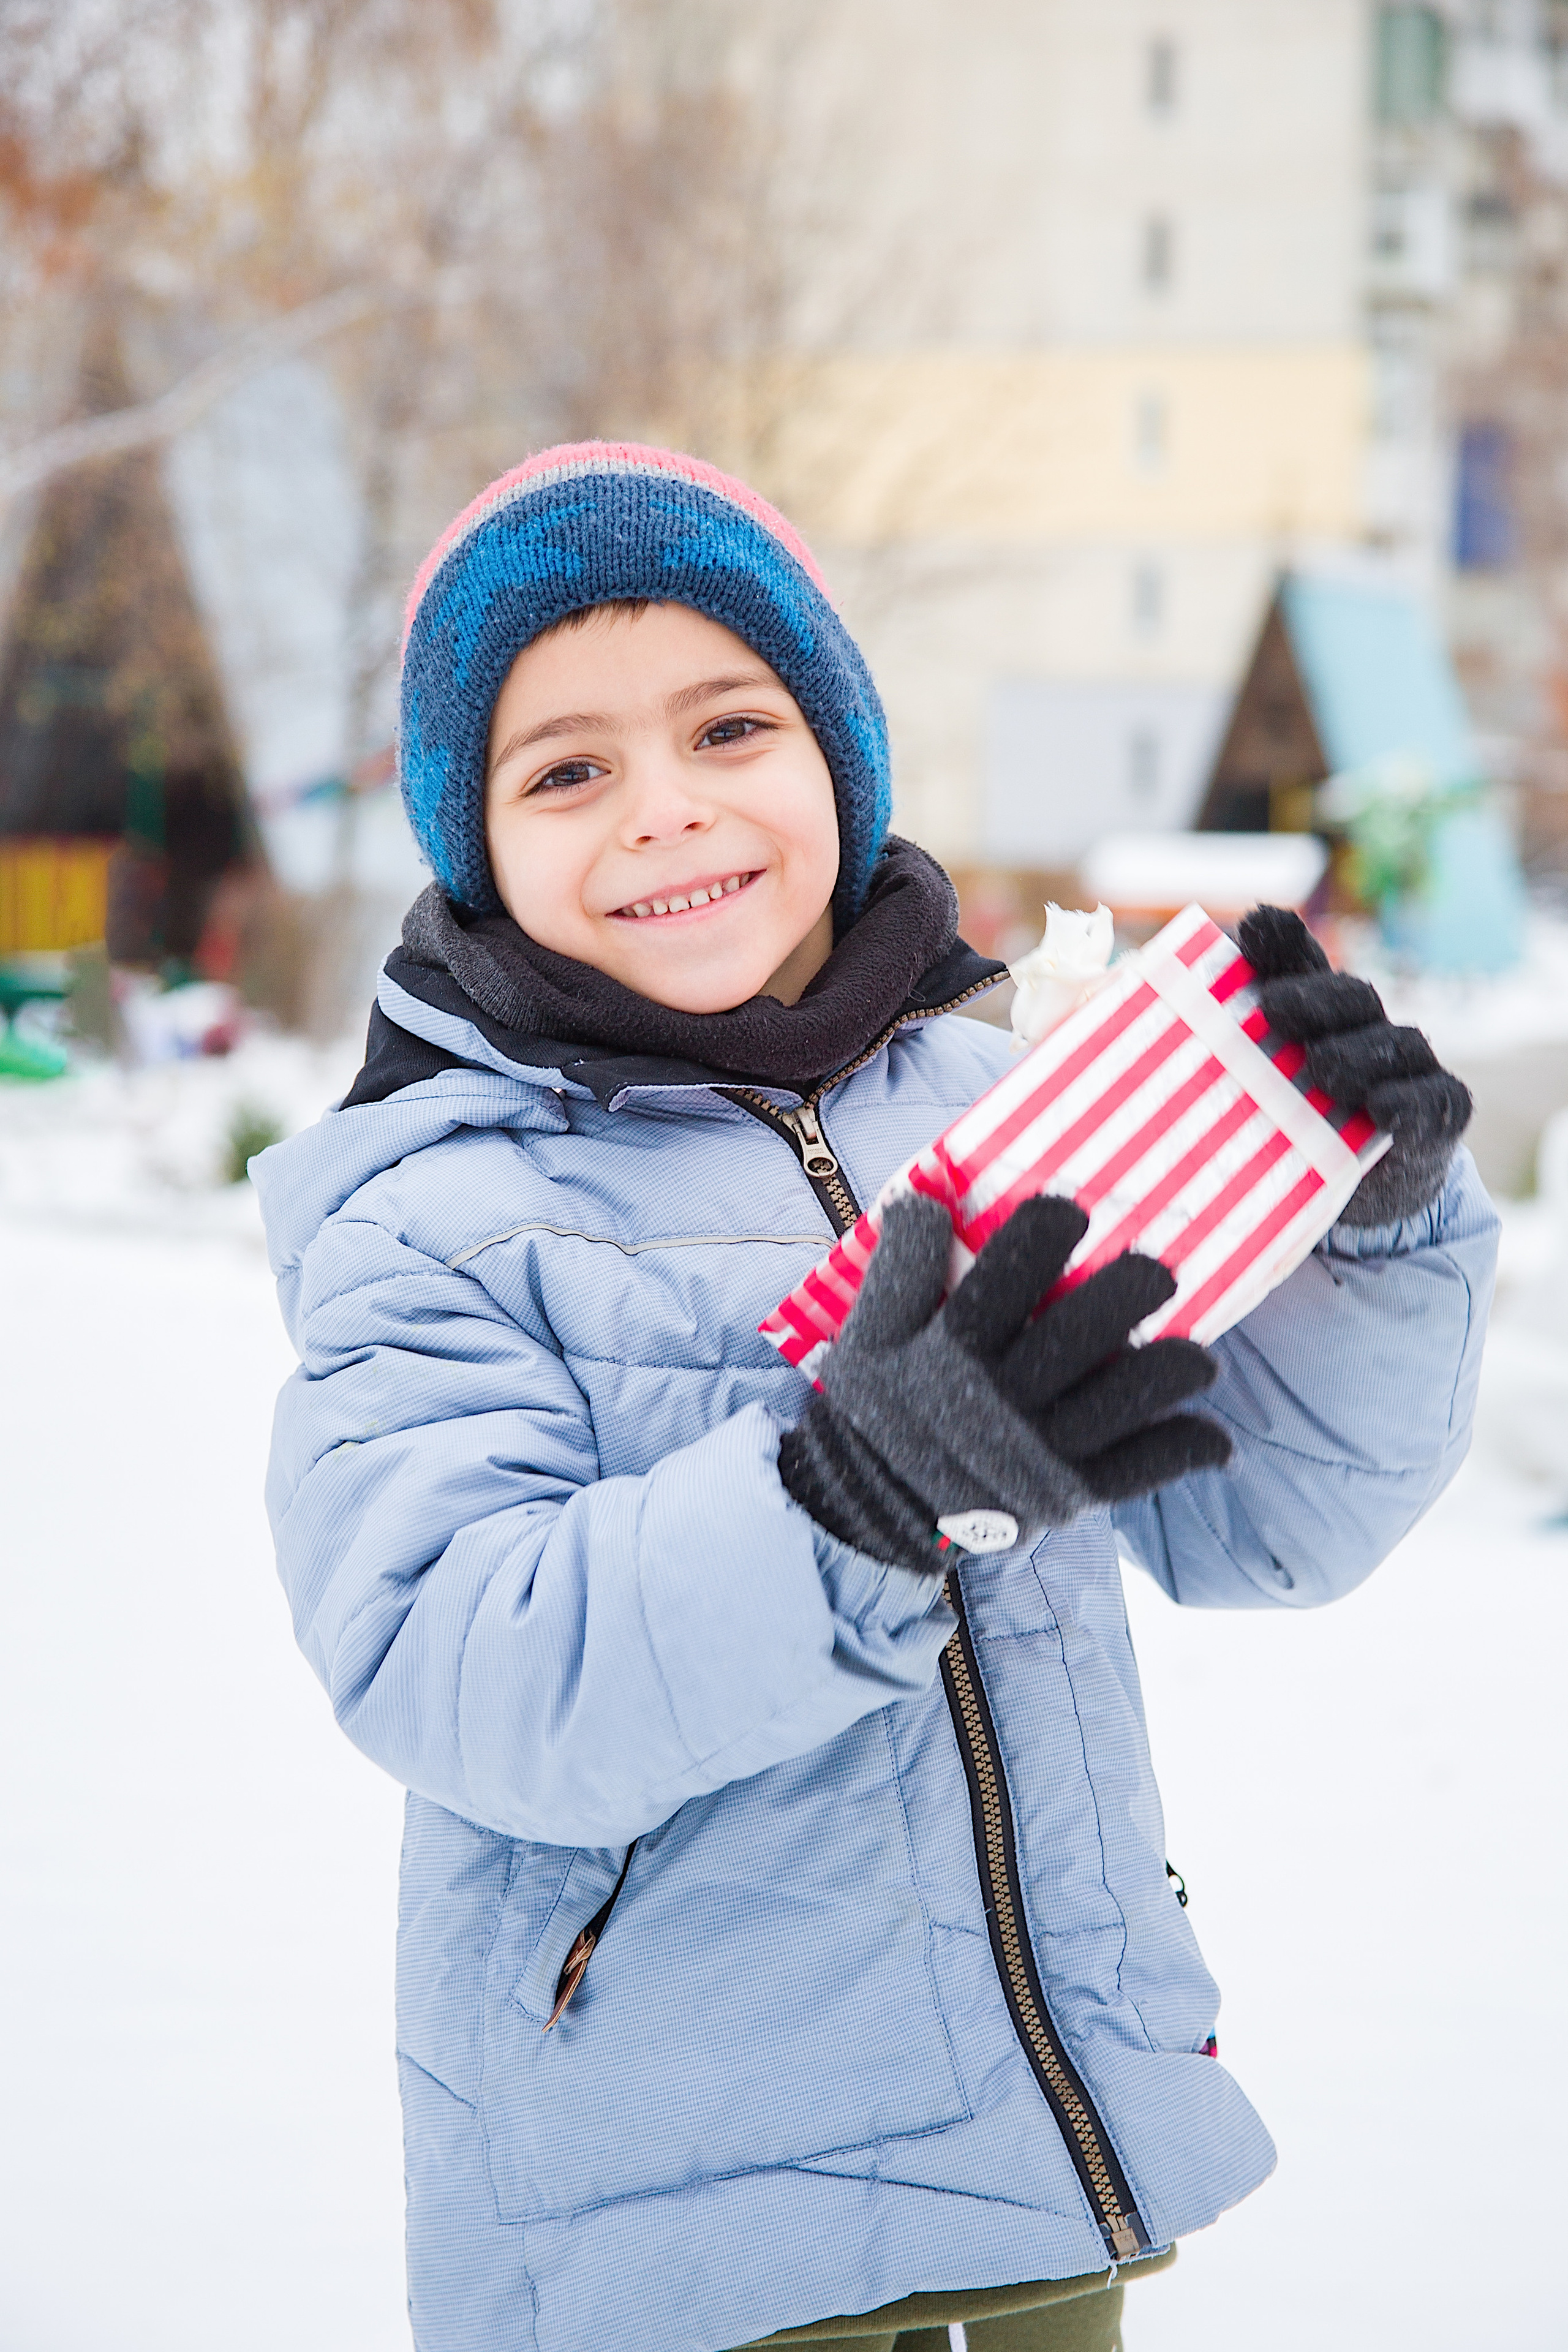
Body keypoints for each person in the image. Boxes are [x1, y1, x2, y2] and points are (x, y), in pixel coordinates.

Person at [256, 443, 1497, 2352]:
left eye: (728, 727)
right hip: (684, 2237)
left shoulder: (1016, 1113)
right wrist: (845, 1498)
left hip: (1035, 2176)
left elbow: (1268, 1523)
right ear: (475, 845)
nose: (666, 807)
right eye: (567, 769)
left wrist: (1369, 1233)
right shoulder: (435, 1216)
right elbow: (462, 1670)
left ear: (836, 758)